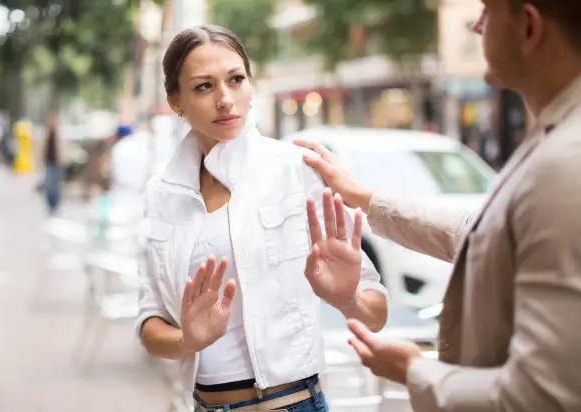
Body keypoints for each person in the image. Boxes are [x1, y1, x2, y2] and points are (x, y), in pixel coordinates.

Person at [296, 1, 581, 411]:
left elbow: (541, 395)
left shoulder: (563, 162)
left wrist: (415, 370)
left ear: (530, 27)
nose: (476, 26)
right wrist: (363, 198)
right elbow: (481, 232)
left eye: (487, 10)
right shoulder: (555, 139)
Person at [137, 25, 388, 412]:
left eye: (236, 80)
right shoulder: (161, 192)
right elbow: (150, 322)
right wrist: (188, 340)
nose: (225, 99)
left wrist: (346, 297)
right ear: (176, 101)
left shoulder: (294, 168)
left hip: (289, 403)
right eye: (204, 87)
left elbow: (375, 313)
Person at [42, 114, 64, 214]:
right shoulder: (46, 134)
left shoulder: (59, 134)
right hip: (48, 162)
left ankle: (55, 204)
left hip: (57, 163)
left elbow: (63, 149)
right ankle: (50, 204)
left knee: (56, 185)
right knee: (49, 184)